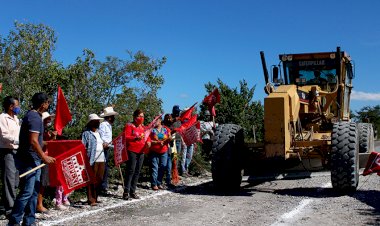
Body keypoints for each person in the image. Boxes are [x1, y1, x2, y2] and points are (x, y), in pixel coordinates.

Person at [8, 92, 56, 226]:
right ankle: (13, 222)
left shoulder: (34, 116)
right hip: (29, 160)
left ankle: (29, 221)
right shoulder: (34, 118)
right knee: (27, 192)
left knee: (34, 192)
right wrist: (44, 157)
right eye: (47, 102)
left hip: (33, 158)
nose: (48, 105)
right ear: (43, 104)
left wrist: (48, 142)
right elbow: (33, 142)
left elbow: (36, 142)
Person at [122, 109, 150, 200]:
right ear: (134, 117)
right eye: (139, 116)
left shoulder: (143, 128)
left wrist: (149, 142)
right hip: (132, 150)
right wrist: (135, 138)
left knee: (137, 171)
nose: (141, 118)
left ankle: (133, 191)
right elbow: (125, 137)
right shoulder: (129, 126)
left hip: (141, 151)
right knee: (131, 170)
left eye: (142, 116)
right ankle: (126, 191)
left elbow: (147, 137)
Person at [0, 96, 20, 218]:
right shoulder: (2, 118)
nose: (18, 108)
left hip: (17, 152)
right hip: (7, 151)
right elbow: (4, 135)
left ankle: (4, 205)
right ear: (10, 106)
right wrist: (17, 141)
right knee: (9, 179)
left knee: (16, 179)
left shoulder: (16, 119)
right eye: (17, 105)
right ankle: (10, 209)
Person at [82, 114, 105, 207]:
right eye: (96, 121)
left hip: (101, 158)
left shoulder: (99, 133)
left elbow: (101, 143)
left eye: (98, 121)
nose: (98, 123)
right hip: (92, 159)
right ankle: (91, 199)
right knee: (92, 179)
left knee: (99, 178)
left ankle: (96, 197)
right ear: (91, 122)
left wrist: (105, 145)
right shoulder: (86, 133)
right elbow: (83, 146)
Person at [36, 112, 57, 213]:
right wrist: (51, 140)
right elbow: (41, 143)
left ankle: (40, 203)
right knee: (41, 182)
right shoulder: (40, 131)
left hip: (46, 157)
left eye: (49, 119)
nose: (49, 121)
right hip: (41, 157)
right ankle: (39, 204)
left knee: (43, 182)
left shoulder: (45, 131)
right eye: (47, 119)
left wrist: (52, 138)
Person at [99, 106, 118, 195]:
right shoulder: (103, 125)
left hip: (108, 147)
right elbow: (101, 136)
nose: (114, 118)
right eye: (113, 116)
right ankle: (102, 186)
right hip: (103, 149)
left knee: (106, 167)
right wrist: (104, 143)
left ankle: (104, 185)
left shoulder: (108, 125)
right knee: (104, 167)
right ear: (110, 117)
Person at [148, 117, 171, 190]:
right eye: (154, 120)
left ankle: (159, 182)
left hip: (164, 151)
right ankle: (154, 183)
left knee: (163, 166)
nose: (155, 121)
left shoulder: (166, 129)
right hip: (154, 151)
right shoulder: (151, 130)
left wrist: (169, 139)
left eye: (156, 120)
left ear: (160, 120)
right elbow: (149, 140)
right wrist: (158, 142)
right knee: (154, 168)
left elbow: (169, 137)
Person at [162, 114, 176, 188]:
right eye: (167, 118)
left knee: (170, 163)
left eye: (170, 118)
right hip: (164, 146)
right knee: (164, 164)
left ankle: (168, 180)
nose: (169, 120)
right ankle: (160, 181)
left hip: (171, 146)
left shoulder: (172, 125)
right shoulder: (163, 126)